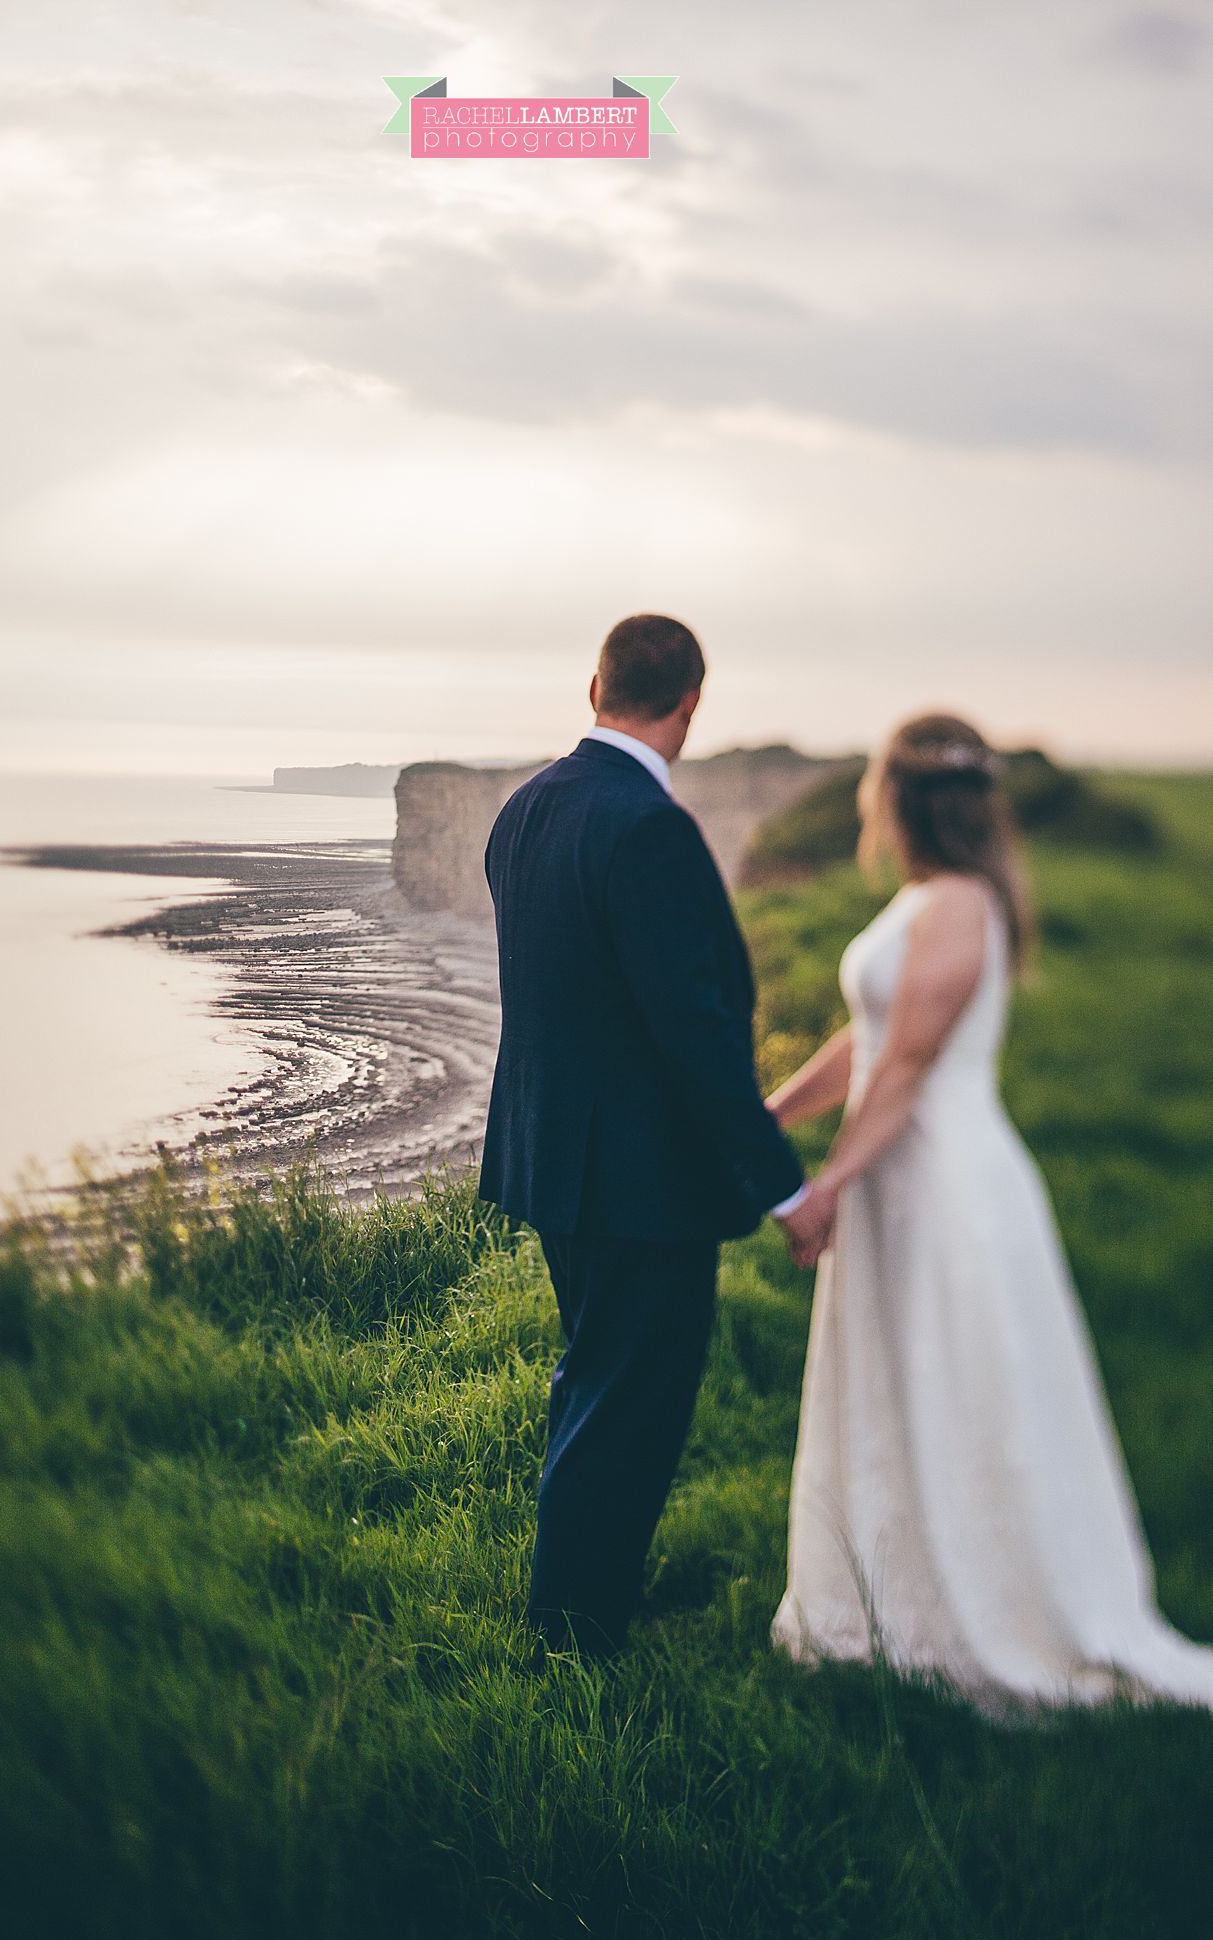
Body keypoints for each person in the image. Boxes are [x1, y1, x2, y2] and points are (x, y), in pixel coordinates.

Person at [769, 712, 1213, 1716]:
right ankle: (884, 1590)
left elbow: (913, 1066)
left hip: (947, 1188)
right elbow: (870, 1037)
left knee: (955, 1383)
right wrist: (778, 1111)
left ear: (901, 796)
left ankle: (976, 1607)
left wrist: (830, 1181)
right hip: (902, 1172)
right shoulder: (927, 896)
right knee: (894, 1380)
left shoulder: (962, 902)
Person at [479, 614, 810, 1657]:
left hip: (552, 1160)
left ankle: (572, 1601)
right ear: (692, 703)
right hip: (638, 1182)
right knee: (631, 1405)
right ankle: (575, 1635)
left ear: (595, 686)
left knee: (595, 1379)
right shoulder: (650, 826)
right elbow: (695, 1029)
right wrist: (782, 1186)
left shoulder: (525, 808)